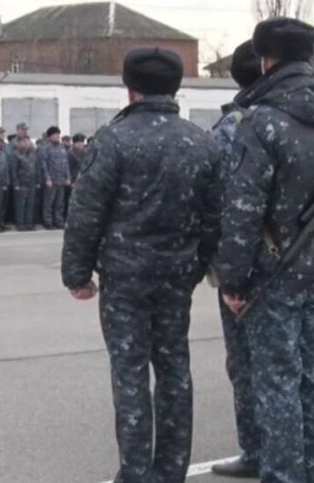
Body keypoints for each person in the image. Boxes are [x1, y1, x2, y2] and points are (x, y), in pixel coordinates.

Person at [61, 48, 222, 483]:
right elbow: (215, 217)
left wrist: (76, 274)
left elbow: (86, 212)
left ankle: (135, 471)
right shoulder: (200, 141)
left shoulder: (114, 140)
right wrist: (195, 266)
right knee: (174, 369)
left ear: (129, 88)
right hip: (176, 275)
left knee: (129, 372)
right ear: (177, 87)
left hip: (126, 276)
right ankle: (171, 470)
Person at [213, 18, 314, 483]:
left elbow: (243, 210)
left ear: (266, 60)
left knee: (277, 384)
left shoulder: (261, 123)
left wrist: (233, 281)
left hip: (271, 278)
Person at [208, 40, 263, 479]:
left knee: (249, 366)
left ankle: (259, 454)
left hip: (252, 268)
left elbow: (219, 206)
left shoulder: (232, 128)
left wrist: (230, 278)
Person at [41, 126, 71, 229]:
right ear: (50, 136)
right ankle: (48, 222)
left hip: (61, 180)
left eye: (59, 134)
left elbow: (65, 163)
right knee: (49, 202)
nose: (58, 137)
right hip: (51, 180)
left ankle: (58, 221)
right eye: (56, 135)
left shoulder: (62, 147)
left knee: (60, 203)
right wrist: (47, 178)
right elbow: (43, 164)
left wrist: (68, 177)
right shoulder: (45, 148)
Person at [9, 135, 41, 232]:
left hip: (31, 183)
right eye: (23, 141)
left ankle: (29, 223)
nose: (26, 143)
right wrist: (16, 184)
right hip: (21, 183)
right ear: (18, 143)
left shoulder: (33, 154)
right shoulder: (15, 154)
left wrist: (38, 181)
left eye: (27, 141)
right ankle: (20, 223)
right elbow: (13, 170)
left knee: (30, 205)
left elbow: (37, 168)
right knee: (20, 205)